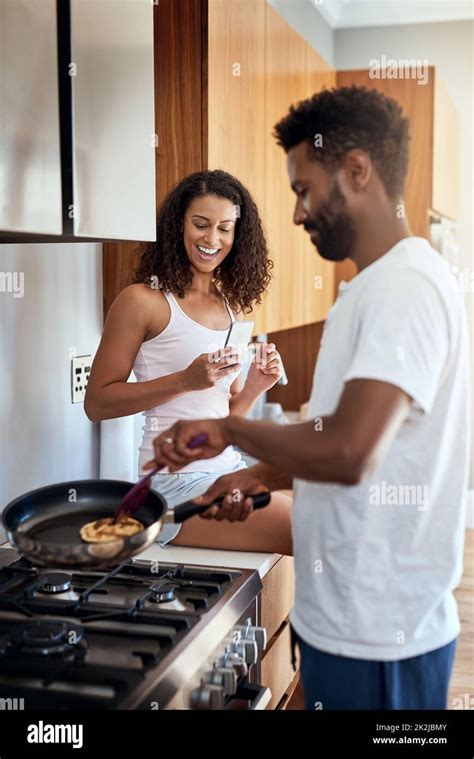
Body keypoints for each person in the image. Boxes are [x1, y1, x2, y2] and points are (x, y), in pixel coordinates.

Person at [144, 87, 470, 710]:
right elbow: (325, 439)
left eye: (303, 188)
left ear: (355, 171)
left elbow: (348, 451)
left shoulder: (404, 289)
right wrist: (251, 480)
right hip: (346, 621)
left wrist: (231, 434)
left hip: (379, 636)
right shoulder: (370, 290)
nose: (296, 214)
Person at [85, 169, 292, 555]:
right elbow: (97, 403)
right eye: (201, 224)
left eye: (225, 228)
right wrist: (184, 380)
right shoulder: (142, 301)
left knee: (325, 512)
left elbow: (224, 417)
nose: (212, 239)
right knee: (308, 528)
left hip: (228, 469)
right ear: (178, 225)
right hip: (172, 486)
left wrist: (254, 387)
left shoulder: (230, 306)